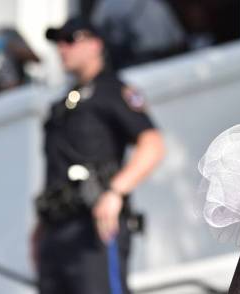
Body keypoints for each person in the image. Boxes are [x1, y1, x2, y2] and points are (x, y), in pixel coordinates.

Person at [31, 17, 165, 294]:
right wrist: (40, 228)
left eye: (71, 40)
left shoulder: (113, 91)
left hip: (95, 227)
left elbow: (152, 144)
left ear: (95, 44)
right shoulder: (63, 102)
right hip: (56, 232)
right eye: (59, 42)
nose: (62, 49)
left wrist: (115, 192)